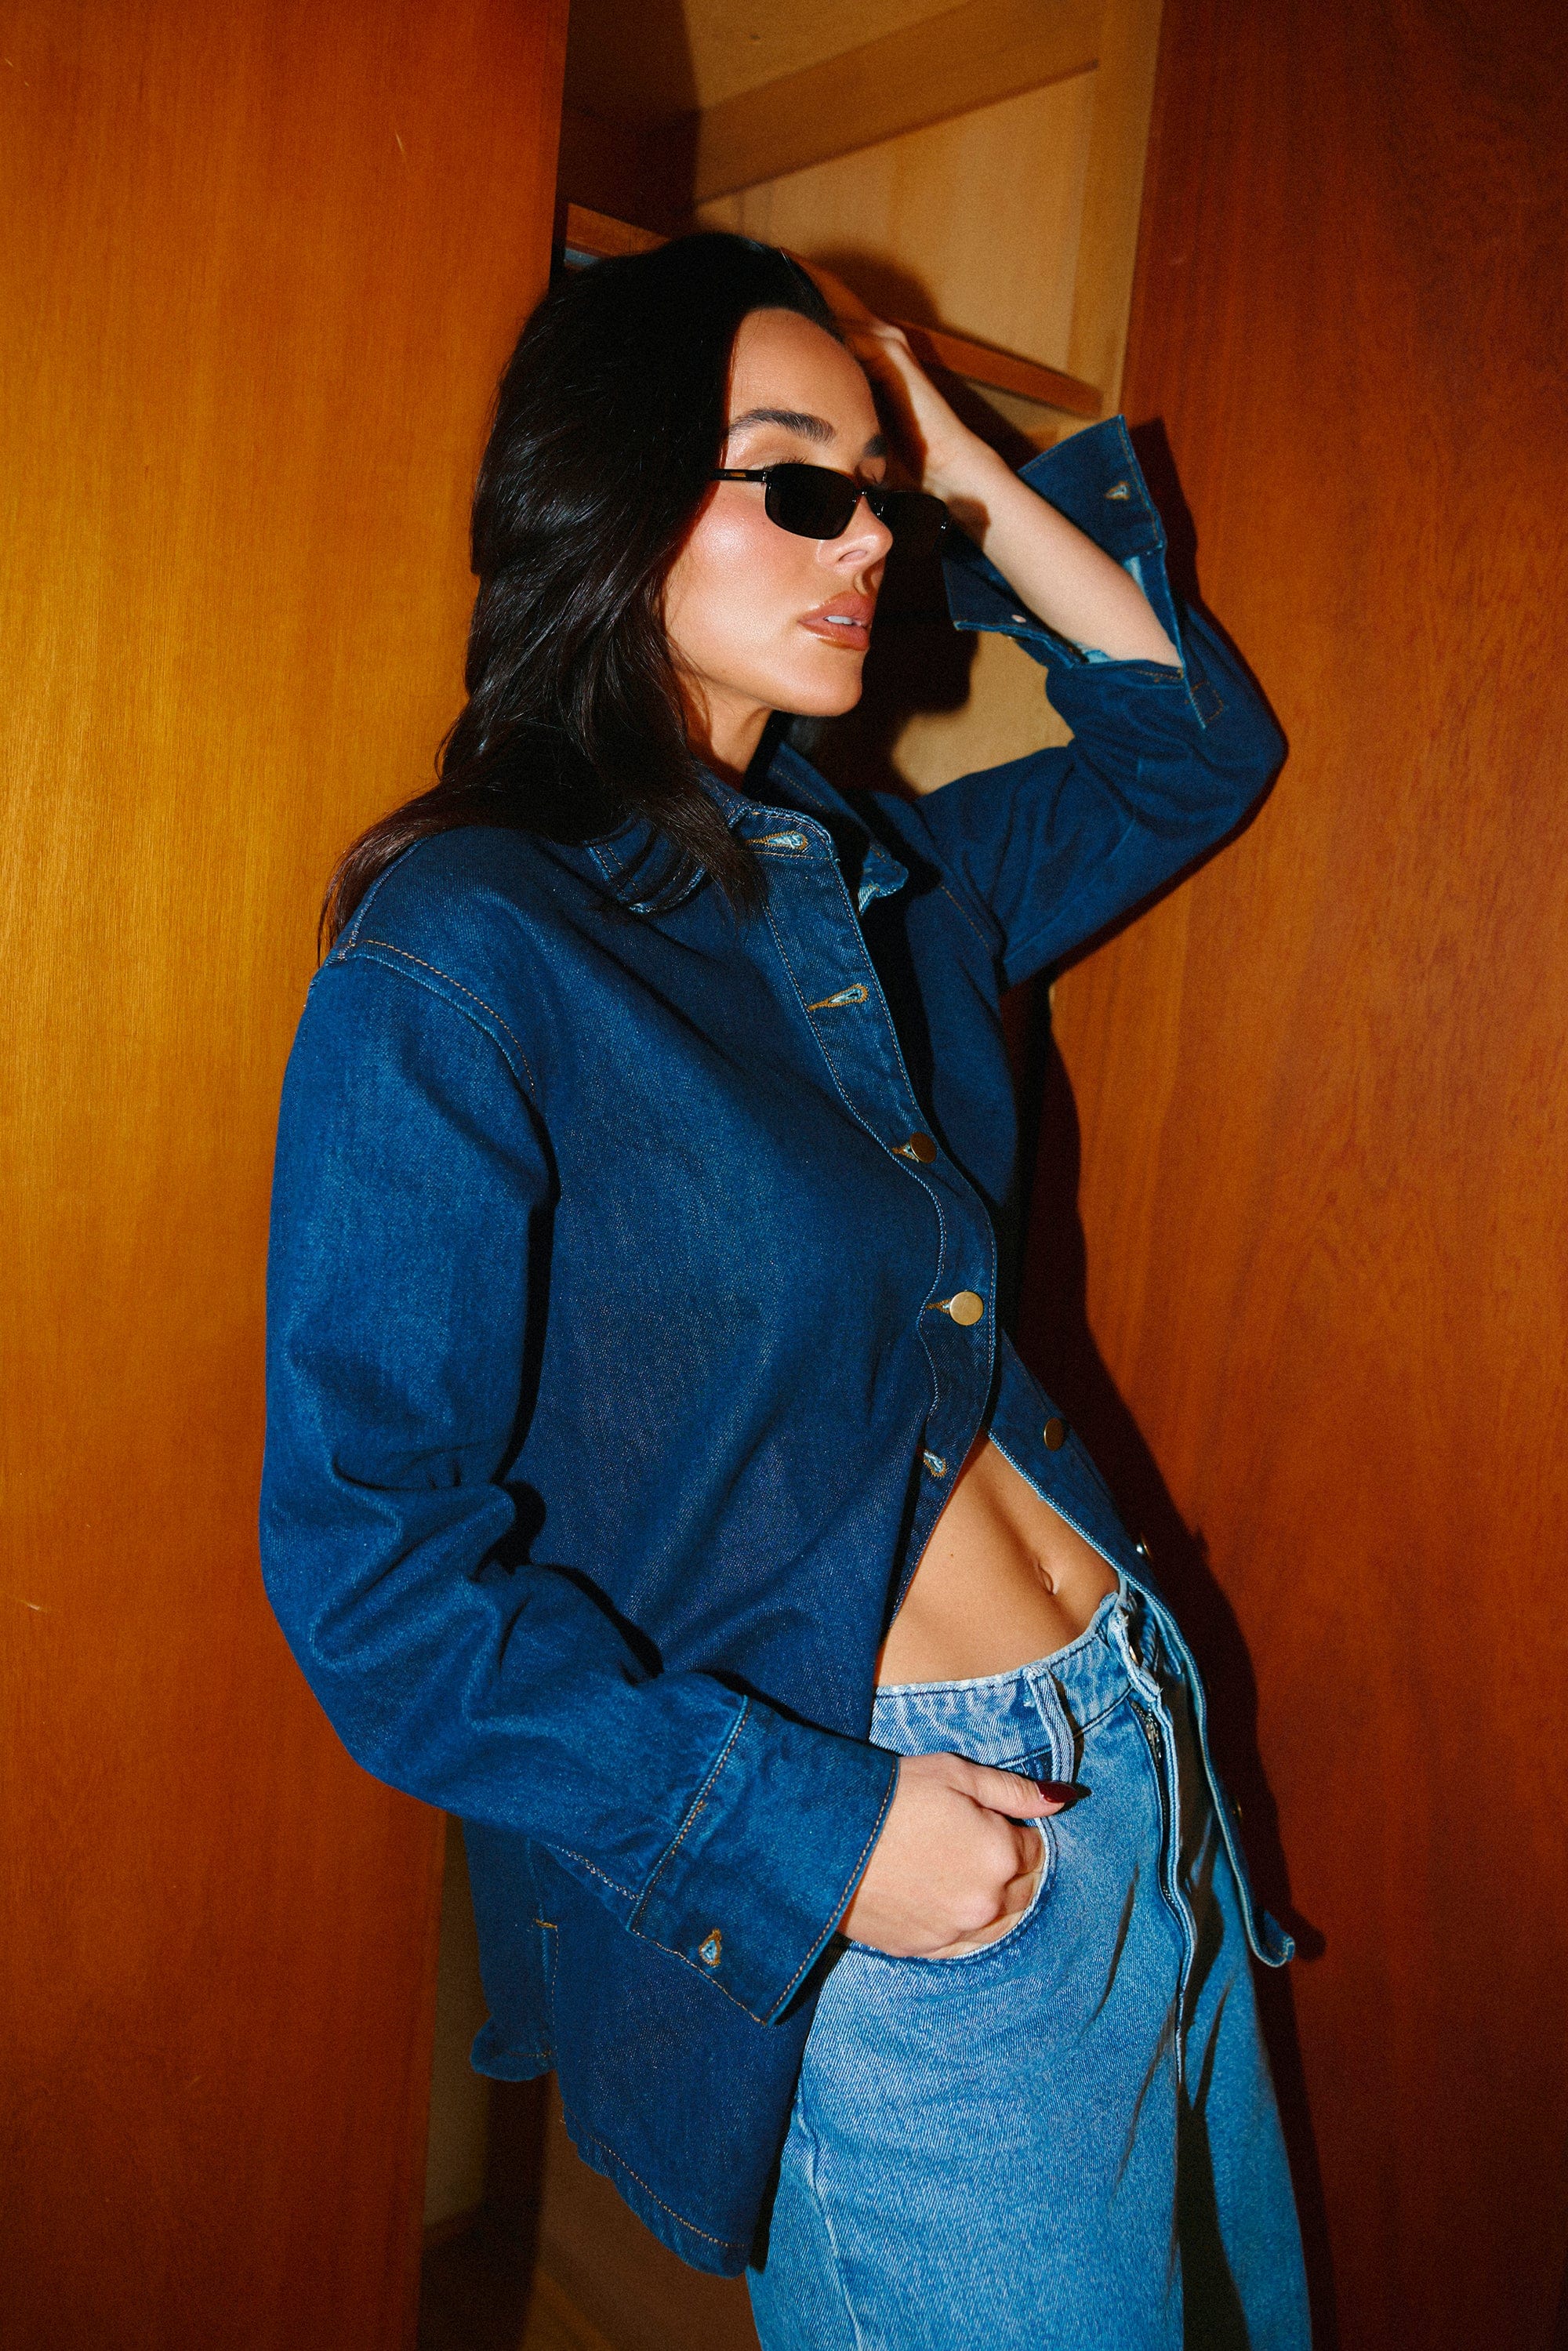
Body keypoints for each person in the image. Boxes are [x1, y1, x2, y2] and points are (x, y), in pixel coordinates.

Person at [260, 232, 1309, 2349]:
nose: (871, 540)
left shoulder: (881, 889)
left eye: (878, 491)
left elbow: (1194, 749)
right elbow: (376, 1581)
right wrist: (816, 1838)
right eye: (800, 480)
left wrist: (963, 466)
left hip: (1136, 1748)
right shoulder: (469, 946)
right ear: (614, 494)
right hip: (908, 1849)